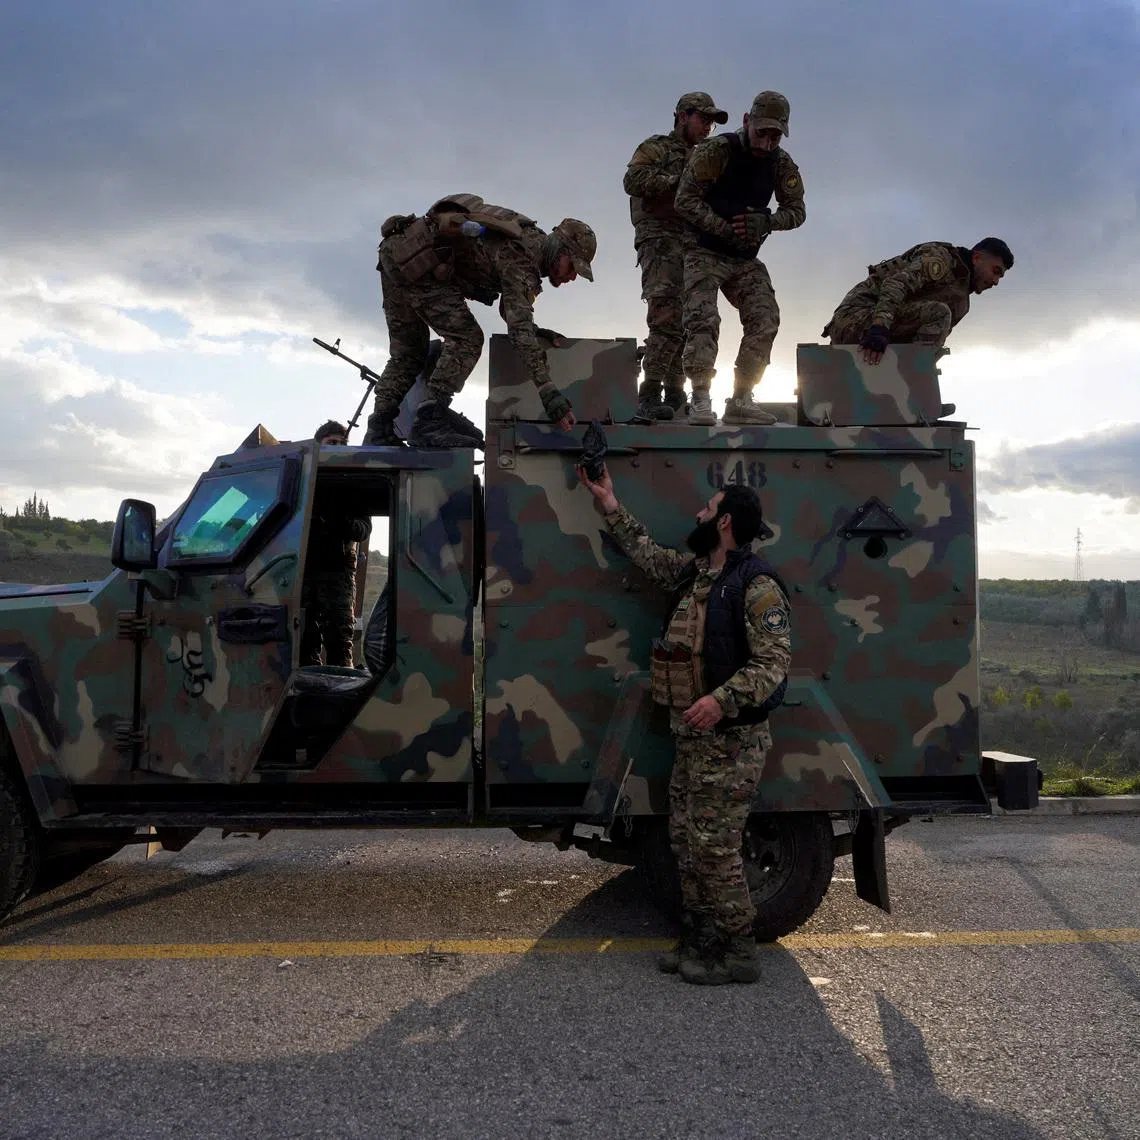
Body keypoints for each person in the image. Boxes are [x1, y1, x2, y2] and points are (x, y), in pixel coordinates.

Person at [577, 466, 792, 986]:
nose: (697, 512)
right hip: (693, 738)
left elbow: (773, 663)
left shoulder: (756, 585)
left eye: (707, 506)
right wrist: (609, 502)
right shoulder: (697, 574)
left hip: (732, 741)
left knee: (718, 848)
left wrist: (721, 701)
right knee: (686, 843)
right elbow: (647, 554)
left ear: (725, 522)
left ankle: (738, 951)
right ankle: (701, 939)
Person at [364, 194, 596, 449]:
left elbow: (514, 314)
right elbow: (518, 330)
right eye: (573, 266)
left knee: (408, 355)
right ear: (560, 250)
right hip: (421, 260)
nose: (572, 277)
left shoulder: (527, 244)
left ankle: (379, 429)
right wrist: (549, 392)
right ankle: (429, 422)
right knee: (467, 338)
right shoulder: (524, 257)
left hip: (399, 252)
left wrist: (534, 329)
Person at [674, 91, 806, 427]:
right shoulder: (717, 151)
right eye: (761, 132)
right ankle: (700, 397)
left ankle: (742, 398)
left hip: (744, 259)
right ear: (747, 122)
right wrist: (721, 227)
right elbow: (685, 201)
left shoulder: (781, 164)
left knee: (766, 319)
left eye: (775, 136)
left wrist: (768, 221)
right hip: (704, 251)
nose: (766, 142)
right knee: (703, 319)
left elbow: (797, 211)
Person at [623, 92, 728, 422]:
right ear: (683, 116)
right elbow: (633, 180)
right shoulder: (657, 148)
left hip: (693, 245)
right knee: (666, 316)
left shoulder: (706, 157)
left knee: (689, 320)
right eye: (703, 118)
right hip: (661, 241)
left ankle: (675, 390)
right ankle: (650, 393)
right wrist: (682, 181)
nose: (708, 126)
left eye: (713, 121)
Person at [822, 238, 1014, 364]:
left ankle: (909, 390)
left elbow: (929, 345)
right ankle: (913, 385)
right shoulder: (941, 260)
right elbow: (896, 284)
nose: (996, 281)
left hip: (878, 327)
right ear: (977, 258)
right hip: (854, 318)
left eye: (1000, 277)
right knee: (939, 313)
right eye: (995, 271)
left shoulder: (961, 301)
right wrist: (879, 329)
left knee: (940, 316)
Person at [301, 421, 373, 668]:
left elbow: (363, 529)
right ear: (317, 445)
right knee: (303, 641)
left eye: (343, 444)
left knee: (340, 642)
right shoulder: (302, 478)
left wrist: (338, 520)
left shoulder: (351, 485)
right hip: (301, 572)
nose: (338, 448)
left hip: (337, 573)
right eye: (332, 443)